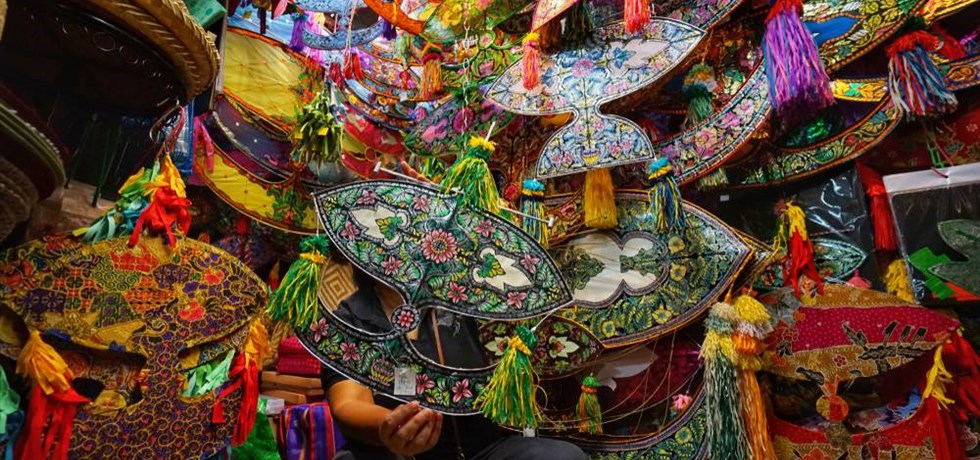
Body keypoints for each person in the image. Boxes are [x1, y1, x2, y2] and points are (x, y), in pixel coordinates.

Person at [321, 269, 588, 460]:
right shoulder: (349, 320)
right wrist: (390, 427)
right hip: (393, 453)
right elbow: (348, 403)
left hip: (479, 449)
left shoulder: (457, 298)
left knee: (564, 456)